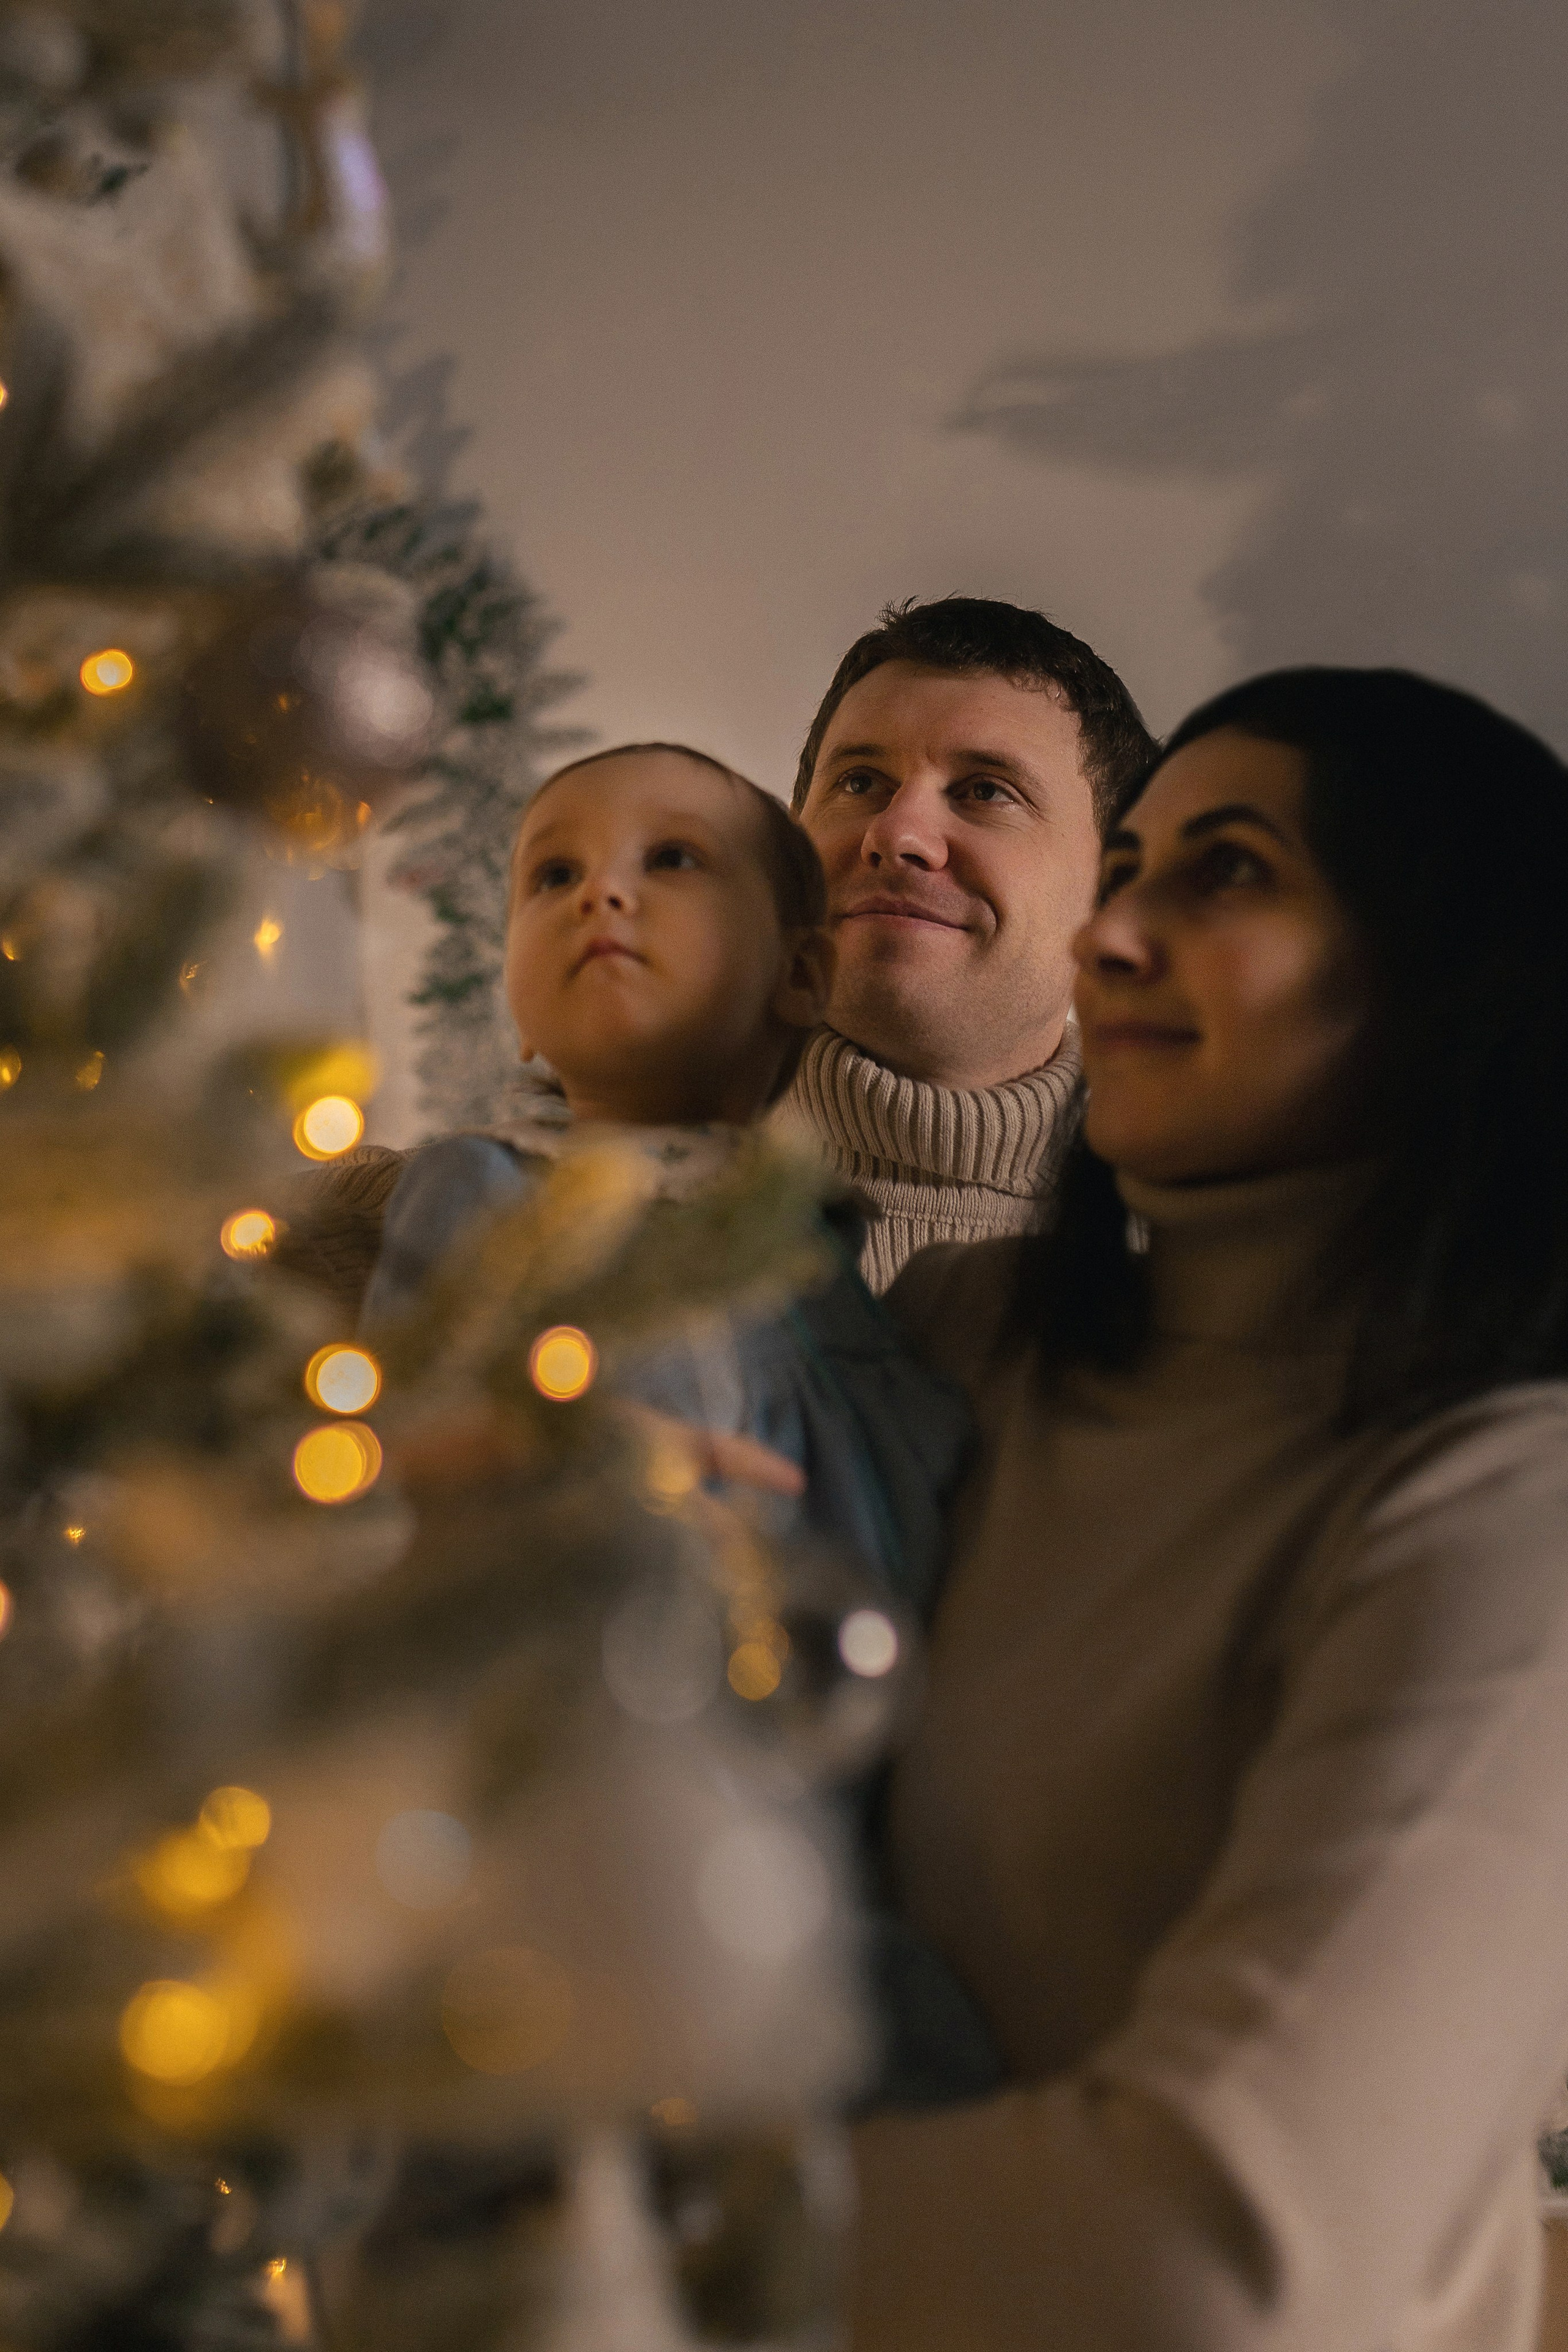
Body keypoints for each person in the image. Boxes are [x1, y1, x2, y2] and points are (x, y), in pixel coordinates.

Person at [848, 668, 1568, 2350]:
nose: (1107, 937)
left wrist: (610, 2224)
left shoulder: (1509, 1504)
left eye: (1228, 871)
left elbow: (1217, 2258)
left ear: (1448, 968)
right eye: (1125, 872)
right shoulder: (961, 1334)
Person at [317, 741, 993, 2103]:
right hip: (578, 1796)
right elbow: (409, 1441)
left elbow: (914, 1478)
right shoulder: (484, 1194)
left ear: (800, 975)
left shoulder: (821, 1258)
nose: (599, 894)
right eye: (551, 876)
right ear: (516, 1012)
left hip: (823, 1831)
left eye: (667, 860)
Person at [783, 595, 1155, 1289]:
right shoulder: (600, 1198)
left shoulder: (1227, 1261)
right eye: (859, 782)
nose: (897, 834)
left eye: (986, 792)